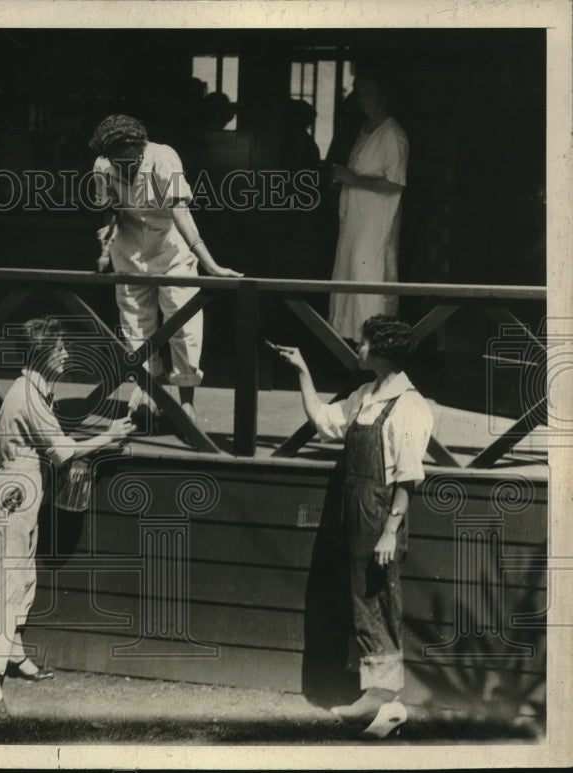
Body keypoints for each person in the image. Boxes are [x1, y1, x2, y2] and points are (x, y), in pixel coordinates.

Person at [273, 315, 432, 738]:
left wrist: (390, 530)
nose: (357, 349)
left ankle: (386, 698)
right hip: (351, 505)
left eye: (362, 344)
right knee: (360, 600)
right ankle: (378, 696)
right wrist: (303, 370)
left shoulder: (410, 406)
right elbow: (324, 420)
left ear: (381, 351)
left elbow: (408, 478)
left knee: (378, 600)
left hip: (380, 511)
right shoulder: (366, 394)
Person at [0, 318, 134, 714]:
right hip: (11, 499)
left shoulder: (39, 391)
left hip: (27, 496)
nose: (66, 355)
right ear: (42, 354)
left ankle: (14, 655)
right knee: (0, 584)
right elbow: (62, 450)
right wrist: (110, 435)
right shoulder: (27, 395)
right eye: (60, 349)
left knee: (22, 577)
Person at [89, 114, 243, 424]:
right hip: (130, 250)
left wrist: (210, 264)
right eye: (118, 163)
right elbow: (109, 208)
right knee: (135, 325)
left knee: (182, 323)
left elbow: (180, 211)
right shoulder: (102, 166)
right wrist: (107, 241)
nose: (125, 168)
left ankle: (186, 400)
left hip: (172, 247)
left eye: (130, 162)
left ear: (141, 148)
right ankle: (150, 395)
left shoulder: (164, 158)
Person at [328, 70, 409, 341]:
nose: (360, 98)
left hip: (375, 226)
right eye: (357, 91)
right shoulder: (365, 129)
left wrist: (354, 179)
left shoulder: (392, 135)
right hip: (354, 221)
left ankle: (371, 345)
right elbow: (362, 173)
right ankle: (349, 346)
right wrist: (345, 180)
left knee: (367, 278)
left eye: (367, 92)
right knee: (349, 276)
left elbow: (395, 182)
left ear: (383, 97)